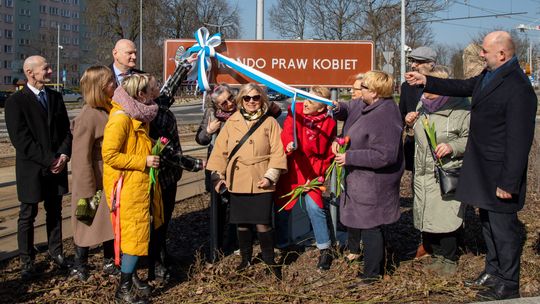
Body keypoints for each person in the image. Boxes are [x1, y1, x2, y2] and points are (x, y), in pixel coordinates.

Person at [405, 31, 537, 300]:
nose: (480, 54)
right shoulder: (490, 77)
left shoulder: (518, 87)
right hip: (483, 171)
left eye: (485, 51)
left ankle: (507, 284)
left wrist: (508, 183)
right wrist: (425, 80)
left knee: (504, 232)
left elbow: (519, 141)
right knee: (488, 226)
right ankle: (492, 271)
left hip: (500, 175)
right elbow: (462, 87)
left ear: (502, 54)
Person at [206, 83, 287, 279]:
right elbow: (220, 152)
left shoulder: (270, 123)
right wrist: (218, 177)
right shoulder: (232, 121)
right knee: (241, 223)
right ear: (241, 99)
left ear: (262, 99)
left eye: (256, 98)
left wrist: (271, 176)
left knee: (263, 223)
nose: (252, 101)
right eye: (247, 98)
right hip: (237, 179)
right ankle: (246, 258)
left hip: (261, 178)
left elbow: (278, 152)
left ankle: (269, 260)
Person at [332, 70, 404, 285]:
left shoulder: (385, 115)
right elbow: (347, 109)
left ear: (374, 92)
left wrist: (349, 156)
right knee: (365, 223)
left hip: (374, 183)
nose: (357, 91)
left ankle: (372, 274)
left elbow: (385, 155)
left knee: (371, 226)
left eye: (362, 87)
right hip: (361, 180)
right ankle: (373, 267)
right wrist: (338, 107)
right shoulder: (366, 104)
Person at [5, 55, 72, 279]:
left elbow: (65, 131)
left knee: (55, 211)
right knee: (27, 214)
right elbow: (21, 139)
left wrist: (63, 155)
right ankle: (27, 260)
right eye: (46, 68)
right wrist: (49, 160)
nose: (51, 71)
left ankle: (57, 252)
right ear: (30, 73)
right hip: (32, 168)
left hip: (57, 166)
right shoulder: (15, 102)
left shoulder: (55, 97)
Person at [404, 67, 470, 276]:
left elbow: (472, 139)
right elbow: (418, 136)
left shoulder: (460, 109)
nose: (423, 92)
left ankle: (449, 259)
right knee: (429, 214)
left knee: (446, 215)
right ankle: (437, 255)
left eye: (426, 86)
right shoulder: (423, 105)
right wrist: (410, 125)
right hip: (423, 170)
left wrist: (453, 146)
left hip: (445, 172)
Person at [102, 73, 162, 304]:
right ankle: (123, 289)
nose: (154, 94)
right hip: (126, 188)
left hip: (138, 185)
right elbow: (109, 155)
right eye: (151, 91)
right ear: (140, 94)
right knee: (133, 237)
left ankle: (132, 278)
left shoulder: (137, 114)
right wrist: (143, 161)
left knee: (136, 236)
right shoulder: (121, 118)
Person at [148, 55, 204, 280]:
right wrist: (198, 164)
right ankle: (156, 264)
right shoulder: (148, 118)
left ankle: (162, 254)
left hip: (170, 178)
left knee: (165, 220)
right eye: (154, 86)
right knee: (156, 222)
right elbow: (168, 152)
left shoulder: (158, 105)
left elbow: (170, 87)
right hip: (157, 178)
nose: (158, 88)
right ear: (145, 93)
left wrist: (185, 64)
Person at [275, 86, 336, 270]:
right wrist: (288, 145)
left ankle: (325, 249)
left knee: (315, 207)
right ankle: (283, 245)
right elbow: (286, 132)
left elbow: (327, 153)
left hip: (312, 171)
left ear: (322, 107)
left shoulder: (329, 122)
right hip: (293, 168)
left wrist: (320, 173)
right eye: (306, 99)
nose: (306, 103)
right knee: (283, 207)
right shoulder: (296, 111)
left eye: (312, 101)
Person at [69, 66, 118, 281]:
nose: (114, 85)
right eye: (110, 82)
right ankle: (80, 266)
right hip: (92, 181)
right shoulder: (87, 116)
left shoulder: (109, 110)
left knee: (109, 223)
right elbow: (80, 158)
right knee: (85, 221)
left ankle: (109, 262)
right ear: (99, 87)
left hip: (109, 180)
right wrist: (86, 188)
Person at [400, 46, 437, 260]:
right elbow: (401, 114)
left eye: (418, 62)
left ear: (431, 64)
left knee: (437, 194)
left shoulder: (443, 84)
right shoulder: (406, 87)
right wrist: (407, 121)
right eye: (412, 61)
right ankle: (424, 241)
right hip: (414, 147)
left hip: (437, 150)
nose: (413, 65)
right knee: (419, 192)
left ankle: (442, 241)